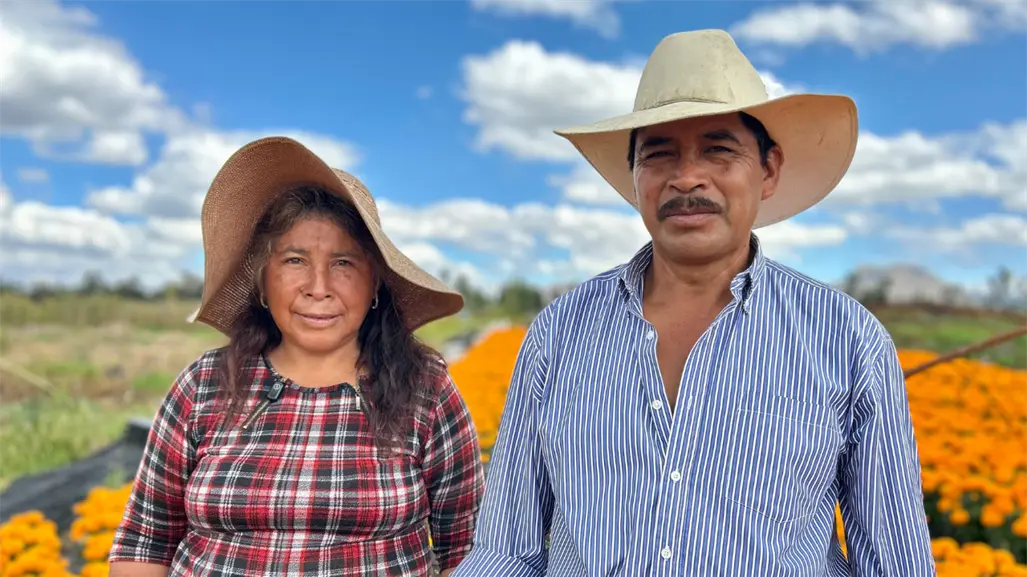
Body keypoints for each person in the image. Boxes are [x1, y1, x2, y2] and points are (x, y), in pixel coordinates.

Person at [453, 29, 935, 576]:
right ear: (635, 177)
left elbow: (896, 562)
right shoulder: (560, 332)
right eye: (659, 154)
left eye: (718, 150)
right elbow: (507, 551)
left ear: (768, 170)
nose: (686, 178)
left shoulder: (847, 339)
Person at [108, 137, 486, 577]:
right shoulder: (205, 383)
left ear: (376, 284)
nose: (318, 287)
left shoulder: (424, 389)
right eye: (294, 260)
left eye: (343, 263)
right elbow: (146, 541)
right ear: (262, 282)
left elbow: (467, 547)